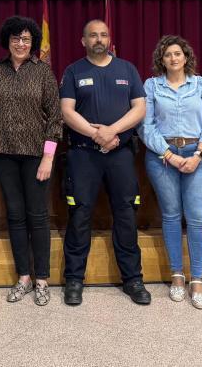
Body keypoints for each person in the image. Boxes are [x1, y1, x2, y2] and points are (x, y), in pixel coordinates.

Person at [59, 19, 149, 306]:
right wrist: (97, 134)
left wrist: (113, 131)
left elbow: (140, 108)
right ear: (83, 41)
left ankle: (133, 279)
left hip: (120, 154)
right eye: (93, 35)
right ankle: (74, 280)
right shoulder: (73, 71)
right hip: (83, 153)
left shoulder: (127, 69)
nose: (99, 39)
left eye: (103, 35)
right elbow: (67, 111)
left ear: (109, 39)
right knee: (80, 215)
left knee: (125, 214)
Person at [0, 16, 62, 305]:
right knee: (16, 215)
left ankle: (42, 278)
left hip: (36, 155)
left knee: (38, 216)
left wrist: (48, 158)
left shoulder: (43, 72)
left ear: (33, 43)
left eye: (26, 39)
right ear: (7, 40)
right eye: (16, 38)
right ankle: (24, 278)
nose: (20, 43)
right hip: (3, 152)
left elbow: (55, 118)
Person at [139, 35, 202, 309]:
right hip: (163, 157)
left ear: (186, 57)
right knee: (171, 216)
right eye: (167, 55)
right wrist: (169, 155)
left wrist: (198, 154)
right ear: (161, 60)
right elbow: (146, 126)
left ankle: (197, 278)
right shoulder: (151, 86)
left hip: (199, 156)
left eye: (177, 54)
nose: (173, 58)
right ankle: (177, 275)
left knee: (197, 218)